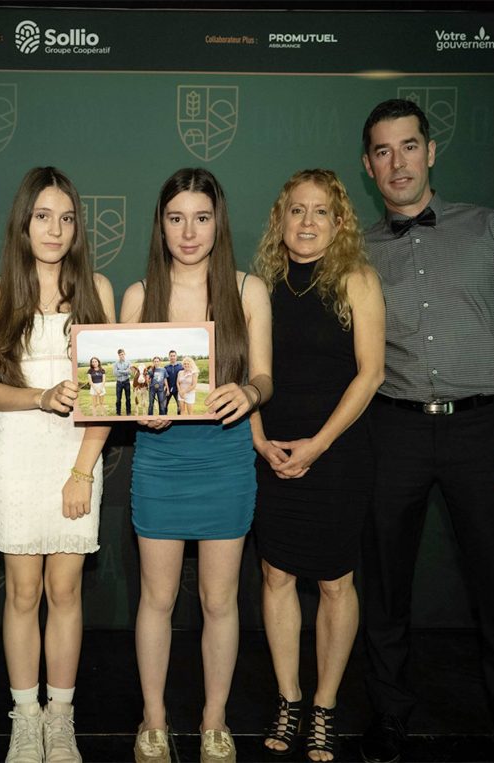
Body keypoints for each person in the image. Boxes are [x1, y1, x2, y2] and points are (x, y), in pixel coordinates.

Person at [357, 99, 494, 763]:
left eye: (408, 146)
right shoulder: (353, 249)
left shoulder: (491, 230)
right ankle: (388, 722)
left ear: (431, 151)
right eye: (383, 151)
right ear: (368, 166)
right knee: (383, 590)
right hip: (393, 429)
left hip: (485, 433)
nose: (397, 162)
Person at [120, 168, 273, 763]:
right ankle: (153, 721)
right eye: (176, 217)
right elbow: (120, 391)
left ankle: (215, 723)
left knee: (219, 601)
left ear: (219, 222)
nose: (189, 231)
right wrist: (139, 414)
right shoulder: (139, 296)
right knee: (156, 599)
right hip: (160, 461)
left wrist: (251, 395)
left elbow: (263, 375)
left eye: (201, 218)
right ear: (161, 224)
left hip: (226, 458)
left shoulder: (247, 290)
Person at [0, 166, 115, 762]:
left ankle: (61, 717)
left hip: (78, 452)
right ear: (22, 222)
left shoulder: (99, 291)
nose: (54, 229)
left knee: (65, 590)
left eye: (66, 217)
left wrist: (83, 469)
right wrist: (39, 396)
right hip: (17, 449)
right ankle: (24, 717)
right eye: (42, 216)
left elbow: (109, 395)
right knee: (23, 593)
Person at [251, 169, 385, 762]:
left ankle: (325, 706)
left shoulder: (357, 279)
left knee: (335, 583)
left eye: (321, 212)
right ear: (281, 219)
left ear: (339, 222)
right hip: (271, 450)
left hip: (337, 454)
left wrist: (319, 444)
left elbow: (371, 373)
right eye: (296, 211)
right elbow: (237, 365)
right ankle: (289, 697)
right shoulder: (260, 285)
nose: (307, 223)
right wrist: (259, 438)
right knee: (276, 577)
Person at [114, 348, 132, 416]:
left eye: (123, 354)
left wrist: (119, 370)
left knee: (128, 398)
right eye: (120, 355)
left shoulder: (128, 362)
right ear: (118, 355)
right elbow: (115, 373)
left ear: (125, 354)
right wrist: (125, 371)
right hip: (119, 383)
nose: (122, 356)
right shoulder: (116, 363)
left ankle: (128, 412)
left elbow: (130, 372)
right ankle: (118, 413)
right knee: (118, 399)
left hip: (126, 382)